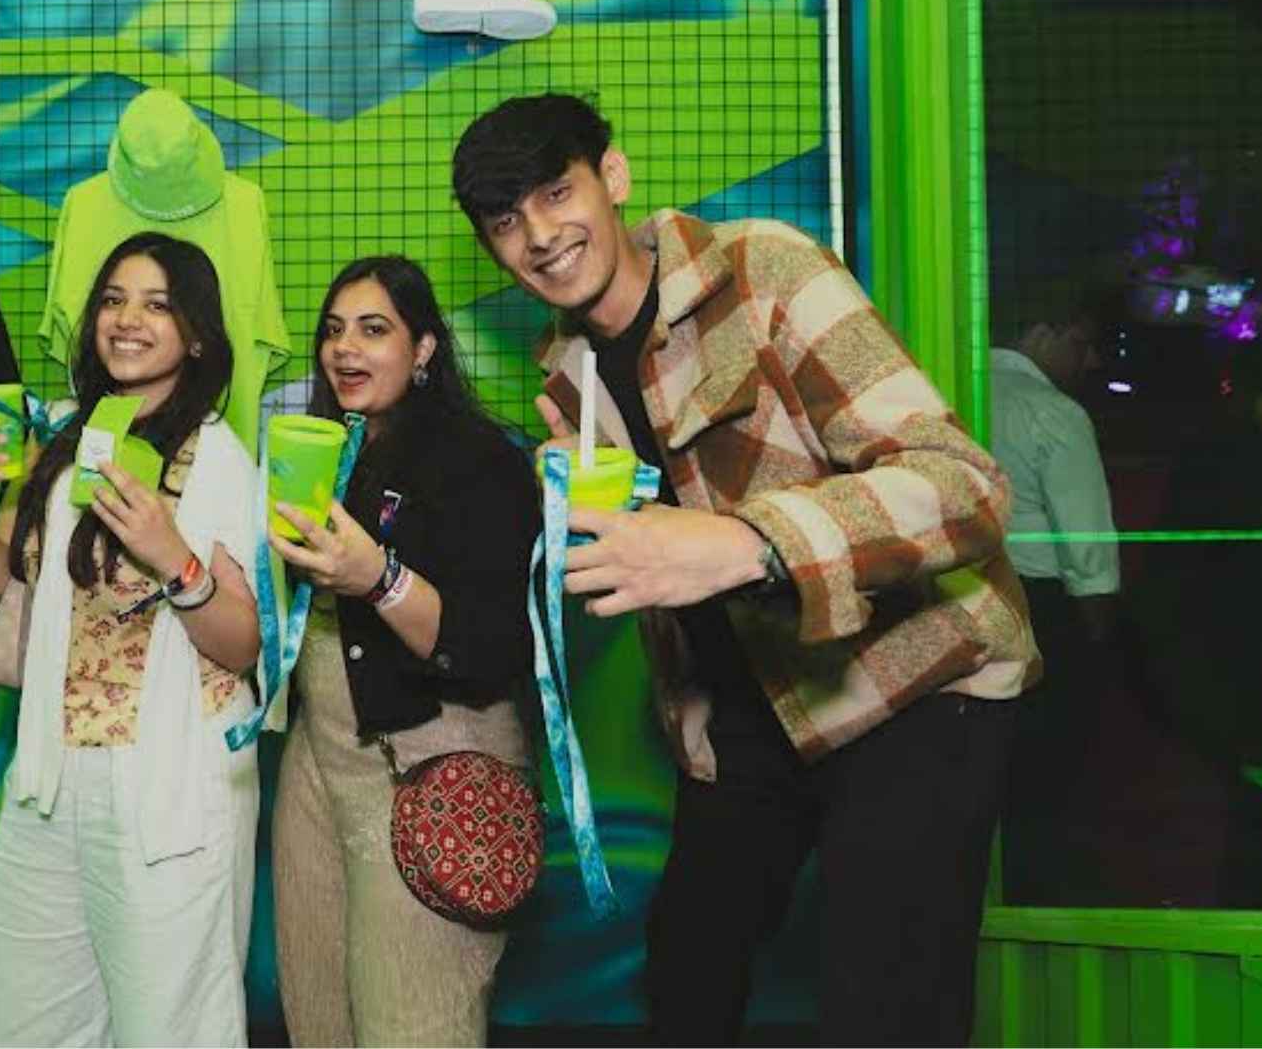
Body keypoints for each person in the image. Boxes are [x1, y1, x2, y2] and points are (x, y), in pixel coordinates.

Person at [452, 94, 1038, 1045]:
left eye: (557, 193)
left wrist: (748, 541)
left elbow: (963, 486)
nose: (541, 235)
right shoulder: (568, 375)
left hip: (915, 683)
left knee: (882, 1005)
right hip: (750, 712)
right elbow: (656, 561)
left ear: (613, 177)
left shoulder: (763, 268)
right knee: (687, 972)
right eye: (506, 221)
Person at [0, 233, 264, 1047]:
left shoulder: (218, 459)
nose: (128, 320)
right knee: (24, 1020)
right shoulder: (68, 437)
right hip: (48, 778)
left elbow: (242, 643)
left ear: (197, 335)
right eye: (114, 300)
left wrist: (175, 560)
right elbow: (5, 585)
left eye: (158, 305)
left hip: (168, 785)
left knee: (172, 1026)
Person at [268, 256, 542, 1047]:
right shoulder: (329, 455)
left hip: (429, 763)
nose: (344, 349)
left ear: (423, 348)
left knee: (414, 1020)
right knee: (318, 1015)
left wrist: (379, 579)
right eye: (333, 330)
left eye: (373, 329)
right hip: (318, 763)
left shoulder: (481, 461)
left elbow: (491, 647)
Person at [989, 284, 1120, 904]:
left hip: (964, 600)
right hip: (1042, 609)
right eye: (1082, 344)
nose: (1091, 361)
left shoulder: (947, 387)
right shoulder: (1054, 412)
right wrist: (1098, 640)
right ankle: (1040, 900)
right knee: (1046, 777)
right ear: (1042, 332)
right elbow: (1087, 548)